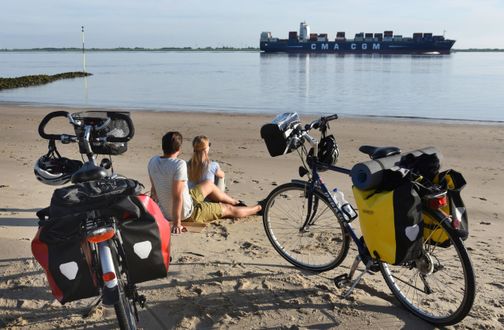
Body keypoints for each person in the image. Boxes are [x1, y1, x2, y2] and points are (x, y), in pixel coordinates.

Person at [148, 131, 262, 234]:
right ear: (179, 149)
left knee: (208, 184)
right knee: (228, 209)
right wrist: (177, 223)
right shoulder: (179, 164)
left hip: (173, 207)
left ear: (163, 146)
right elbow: (177, 196)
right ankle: (259, 208)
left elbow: (154, 192)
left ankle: (235, 201)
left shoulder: (153, 161)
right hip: (187, 214)